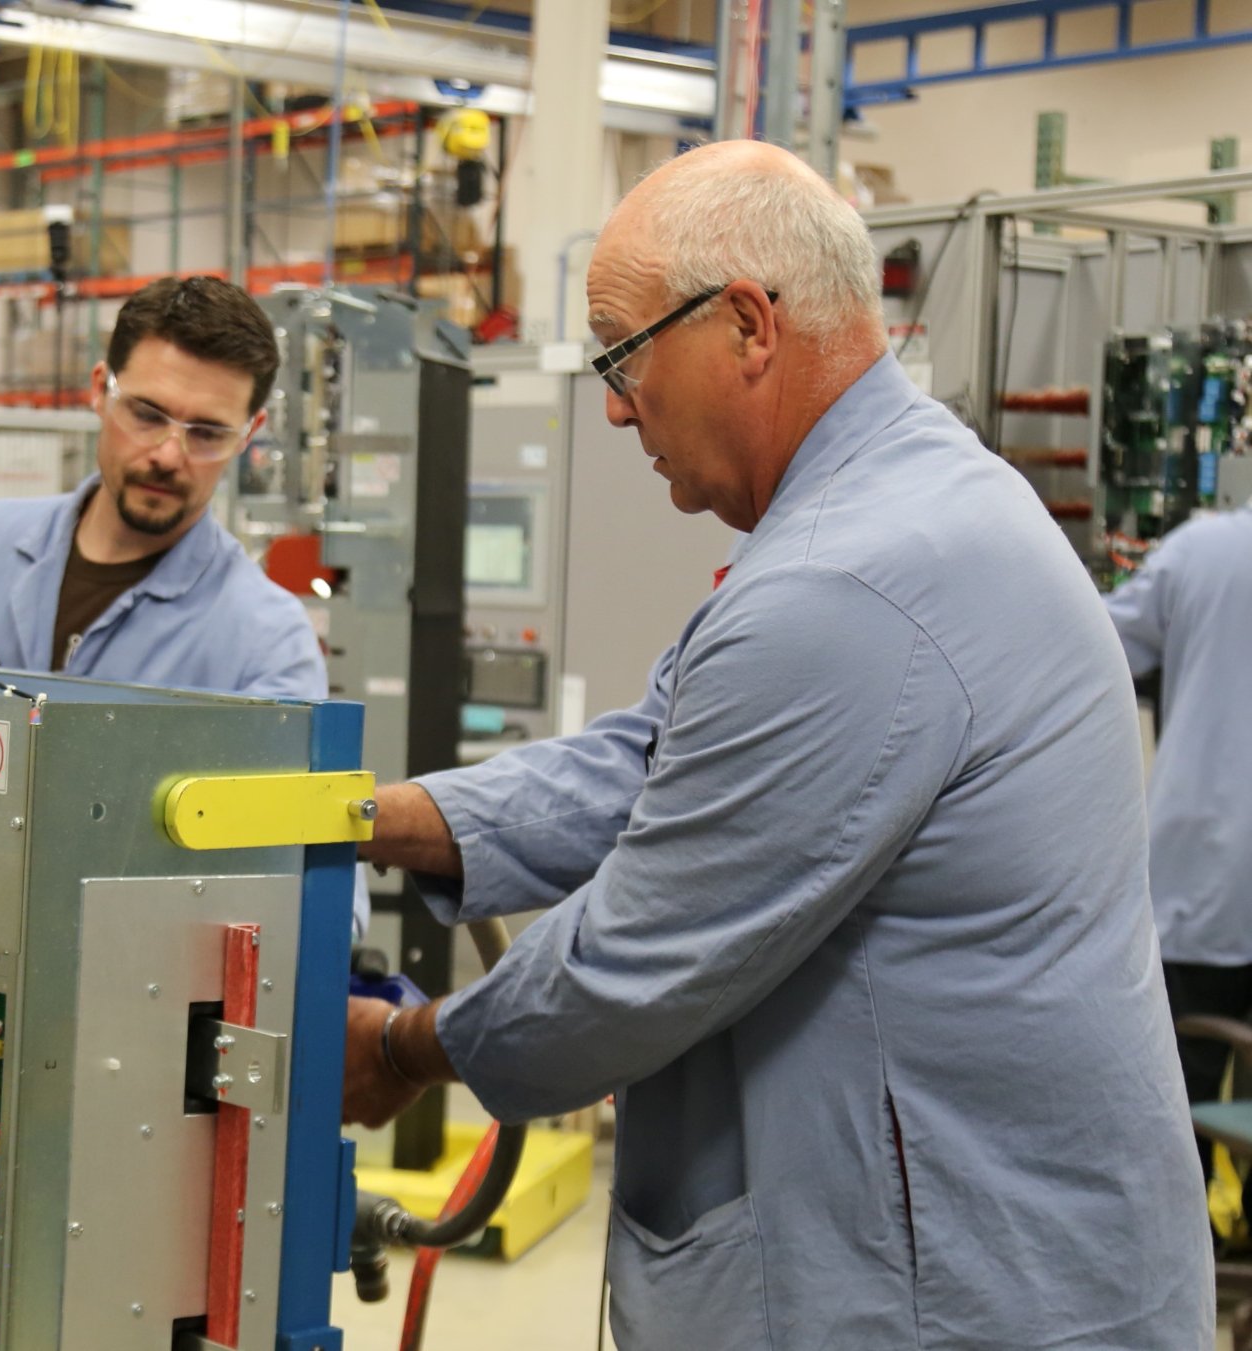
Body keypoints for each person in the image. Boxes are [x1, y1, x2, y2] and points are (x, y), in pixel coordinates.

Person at [343, 141, 1211, 1349]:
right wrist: (358, 817)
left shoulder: (851, 580)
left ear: (747, 324)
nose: (611, 401)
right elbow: (651, 758)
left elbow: (636, 956)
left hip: (951, 1296)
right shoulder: (903, 504)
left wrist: (404, 1046)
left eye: (622, 352)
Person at [0, 275, 324, 700]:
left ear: (248, 435)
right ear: (100, 390)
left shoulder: (268, 646)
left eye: (207, 432)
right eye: (148, 415)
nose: (169, 456)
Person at [1106, 506, 1252, 1169]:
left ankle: (1195, 1260)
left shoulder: (1202, 552)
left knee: (1171, 1113)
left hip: (1197, 870)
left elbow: (1095, 642)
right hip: (1200, 875)